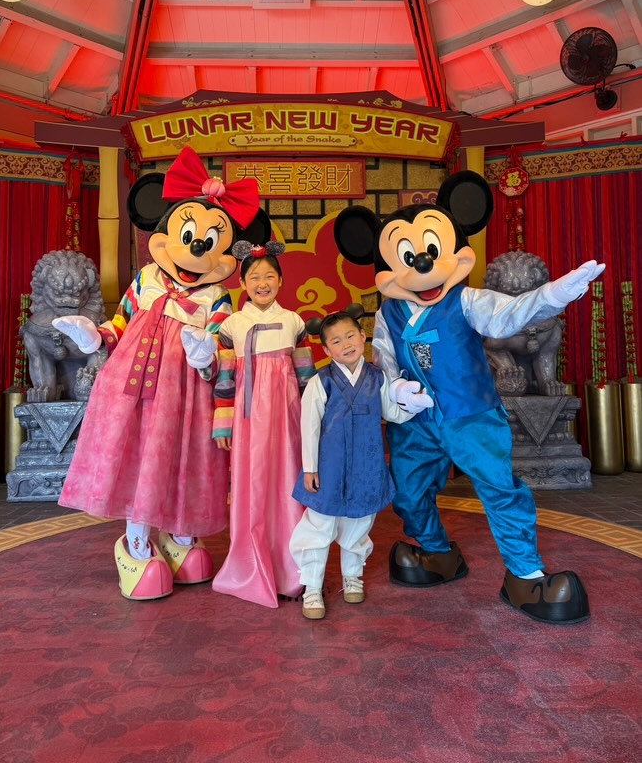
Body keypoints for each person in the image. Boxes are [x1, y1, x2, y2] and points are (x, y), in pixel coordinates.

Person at [333, 171, 605, 624]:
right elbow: (380, 360)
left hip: (471, 415)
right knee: (409, 491)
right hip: (414, 421)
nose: (421, 266)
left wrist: (554, 294)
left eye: (431, 252)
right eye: (405, 256)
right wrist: (395, 390)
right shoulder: (390, 313)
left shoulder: (466, 300)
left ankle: (525, 575)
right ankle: (438, 553)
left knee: (500, 489)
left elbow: (507, 317)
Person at [53, 146, 269, 601]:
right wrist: (94, 335)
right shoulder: (145, 280)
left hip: (189, 397)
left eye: (210, 241)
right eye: (188, 235)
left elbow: (222, 348)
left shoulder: (218, 298)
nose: (196, 247)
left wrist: (204, 351)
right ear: (165, 234)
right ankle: (135, 543)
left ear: (227, 253)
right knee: (138, 460)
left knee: (185, 459)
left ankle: (182, 537)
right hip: (131, 393)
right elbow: (120, 324)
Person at [289, 306, 431, 620]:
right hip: (329, 467)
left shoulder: (377, 378)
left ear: (363, 336)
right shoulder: (320, 381)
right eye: (336, 341)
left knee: (359, 525)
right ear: (326, 350)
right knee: (319, 526)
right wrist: (310, 468)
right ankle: (312, 587)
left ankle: (352, 576)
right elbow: (309, 426)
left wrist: (414, 406)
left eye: (350, 336)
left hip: (367, 465)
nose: (346, 344)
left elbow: (391, 413)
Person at [212, 241, 315, 608]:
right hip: (248, 417)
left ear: (281, 281)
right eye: (254, 277)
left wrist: (312, 421)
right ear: (242, 284)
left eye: (269, 276)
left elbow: (307, 377)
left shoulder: (294, 321)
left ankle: (293, 570)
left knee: (288, 480)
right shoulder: (231, 326)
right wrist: (223, 425)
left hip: (286, 416)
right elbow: (223, 379)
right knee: (252, 483)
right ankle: (251, 564)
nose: (262, 283)